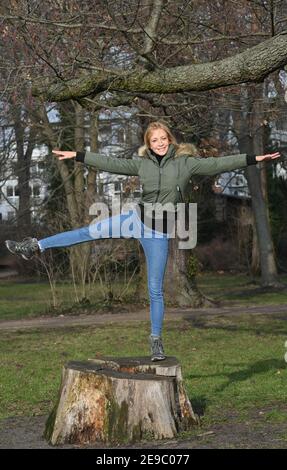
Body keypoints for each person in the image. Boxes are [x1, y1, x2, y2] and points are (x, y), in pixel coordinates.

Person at [5, 121, 281, 361]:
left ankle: (155, 340)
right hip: (134, 220)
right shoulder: (143, 163)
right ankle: (35, 246)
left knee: (155, 290)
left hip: (159, 233)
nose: (159, 144)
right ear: (148, 144)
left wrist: (255, 159)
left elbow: (219, 163)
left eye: (163, 139)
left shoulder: (186, 163)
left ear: (170, 140)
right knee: (86, 232)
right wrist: (78, 155)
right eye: (154, 140)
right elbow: (110, 162)